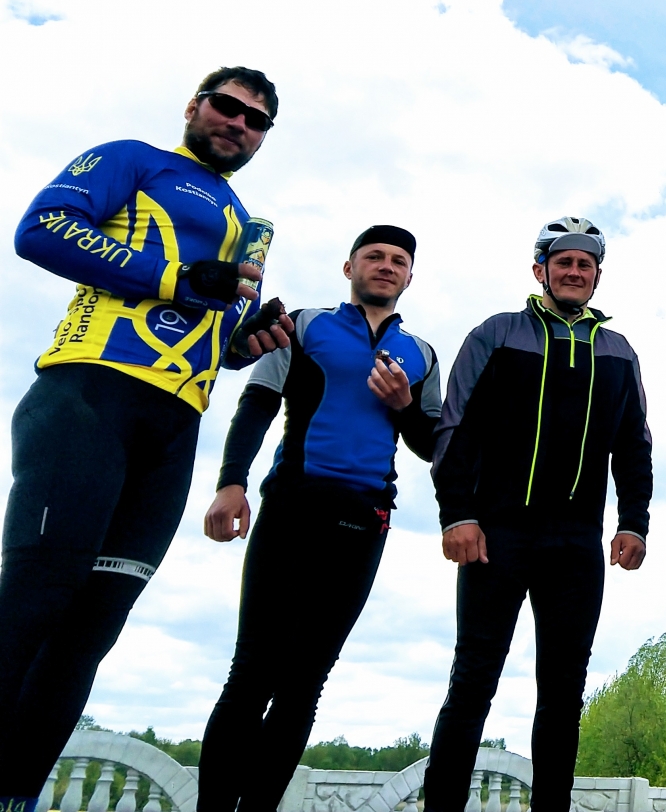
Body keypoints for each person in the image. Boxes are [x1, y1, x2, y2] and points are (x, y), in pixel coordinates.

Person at [0, 68, 292, 802]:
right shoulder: (135, 159)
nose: (239, 123)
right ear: (194, 106)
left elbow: (207, 326)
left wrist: (245, 342)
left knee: (93, 627)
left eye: (257, 120)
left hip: (174, 425)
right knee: (35, 600)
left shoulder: (246, 221)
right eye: (227, 106)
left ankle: (17, 793)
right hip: (89, 392)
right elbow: (41, 229)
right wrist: (179, 278)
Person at [196, 225, 441, 812]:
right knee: (252, 673)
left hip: (365, 519)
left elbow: (433, 445)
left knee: (305, 682)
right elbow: (257, 402)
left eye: (398, 260)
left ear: (410, 277)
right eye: (374, 256)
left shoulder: (423, 354)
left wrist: (405, 405)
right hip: (293, 505)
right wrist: (231, 482)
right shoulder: (303, 325)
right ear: (349, 268)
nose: (386, 265)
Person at [425, 217, 653, 811]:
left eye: (585, 264)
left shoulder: (619, 351)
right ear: (540, 271)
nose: (574, 272)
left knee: (564, 692)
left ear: (597, 276)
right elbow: (455, 427)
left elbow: (635, 445)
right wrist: (457, 514)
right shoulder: (496, 334)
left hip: (576, 543)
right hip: (496, 534)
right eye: (564, 262)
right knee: (473, 681)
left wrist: (634, 522)